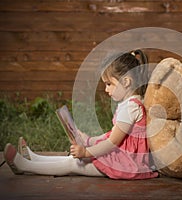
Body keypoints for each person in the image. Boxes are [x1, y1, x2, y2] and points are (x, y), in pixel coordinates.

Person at [4, 49, 159, 179]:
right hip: (123, 159)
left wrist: (86, 151)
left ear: (126, 82)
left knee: (74, 163)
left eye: (109, 84)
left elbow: (112, 142)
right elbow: (115, 134)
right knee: (74, 160)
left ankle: (24, 166)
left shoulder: (131, 108)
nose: (106, 90)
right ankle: (34, 158)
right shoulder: (130, 104)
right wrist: (89, 140)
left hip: (127, 164)